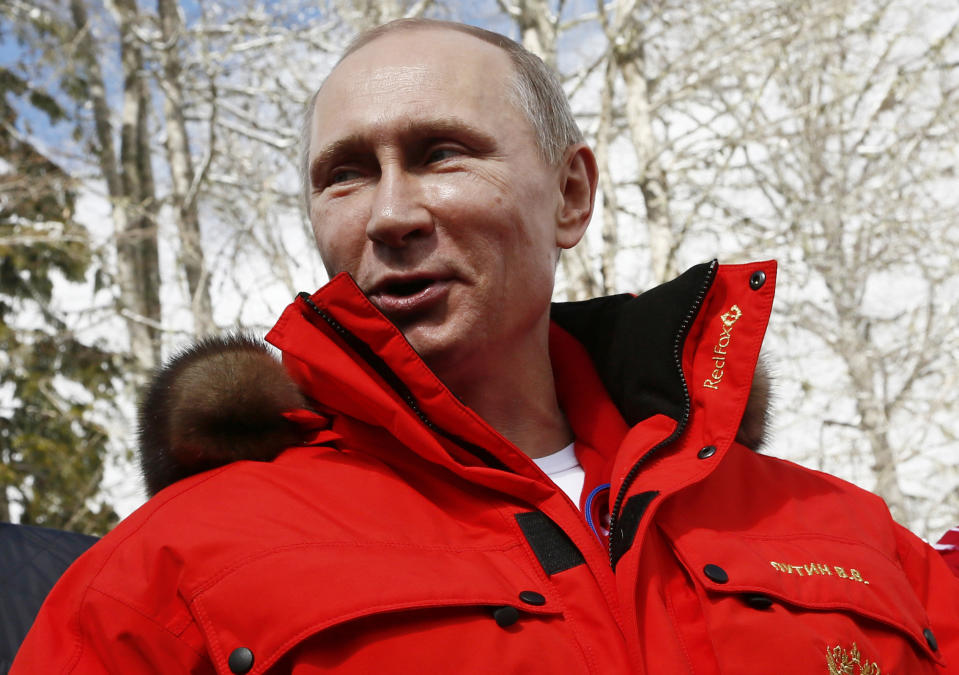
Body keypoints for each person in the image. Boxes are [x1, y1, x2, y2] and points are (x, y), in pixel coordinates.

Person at [13, 18, 959, 673]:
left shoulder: (843, 536)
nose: (389, 214)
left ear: (571, 195)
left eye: (439, 153)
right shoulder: (178, 564)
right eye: (344, 175)